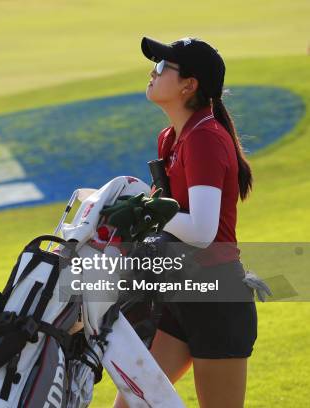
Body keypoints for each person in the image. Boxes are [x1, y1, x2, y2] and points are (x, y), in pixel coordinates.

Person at [113, 37, 257, 408]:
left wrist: (149, 209)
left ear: (189, 85)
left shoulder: (205, 138)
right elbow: (169, 219)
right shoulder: (171, 137)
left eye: (162, 66)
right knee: (131, 404)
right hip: (179, 288)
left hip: (216, 298)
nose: (152, 70)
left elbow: (203, 231)